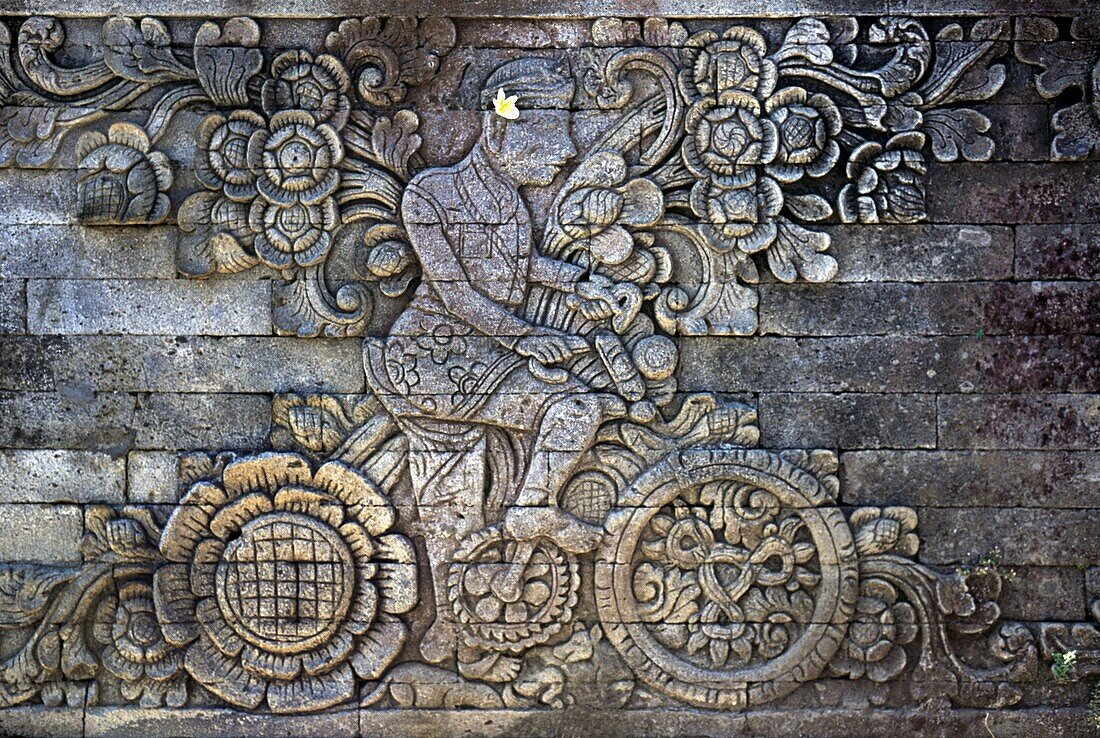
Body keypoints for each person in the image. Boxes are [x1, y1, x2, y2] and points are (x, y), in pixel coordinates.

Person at [363, 57, 625, 664]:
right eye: (549, 134)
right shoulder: (431, 195)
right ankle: (517, 529)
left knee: (576, 407)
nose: (563, 153)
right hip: (433, 358)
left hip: (486, 353)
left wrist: (579, 284)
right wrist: (525, 338)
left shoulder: (508, 201)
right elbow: (455, 290)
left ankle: (528, 508)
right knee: (560, 412)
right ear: (500, 125)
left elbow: (517, 267)